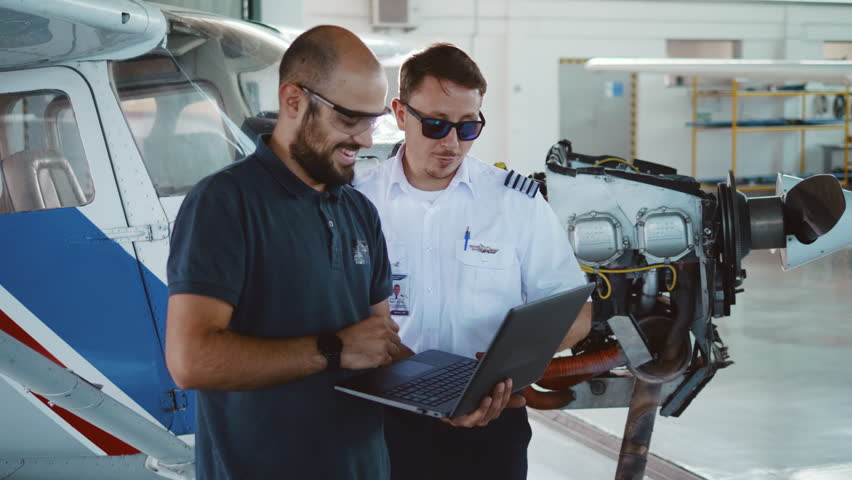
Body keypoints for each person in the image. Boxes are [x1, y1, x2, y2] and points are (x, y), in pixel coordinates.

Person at [164, 26, 406, 479]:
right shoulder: (224, 203)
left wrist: (452, 394)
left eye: (371, 122)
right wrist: (332, 350)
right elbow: (190, 360)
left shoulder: (359, 211)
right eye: (349, 120)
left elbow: (376, 344)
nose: (366, 140)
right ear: (294, 101)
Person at [354, 43, 592, 480]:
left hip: (491, 420)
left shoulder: (514, 203)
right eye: (435, 124)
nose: (450, 144)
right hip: (378, 422)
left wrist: (508, 366)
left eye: (467, 127)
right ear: (399, 114)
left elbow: (574, 309)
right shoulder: (357, 202)